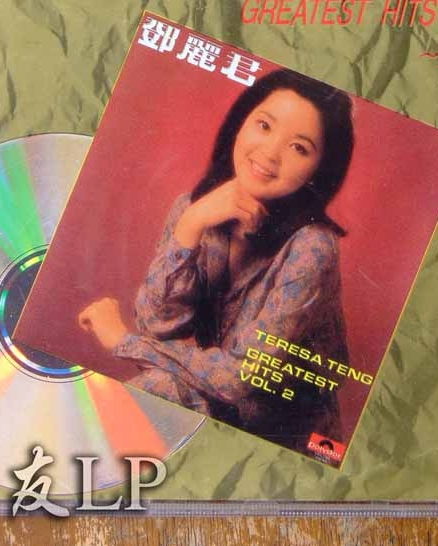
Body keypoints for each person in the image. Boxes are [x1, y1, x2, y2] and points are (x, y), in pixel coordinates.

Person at [78, 68, 355, 454]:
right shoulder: (196, 210)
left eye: (299, 148)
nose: (270, 153)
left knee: (155, 391)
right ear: (240, 123)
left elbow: (240, 378)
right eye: (264, 125)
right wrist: (190, 226)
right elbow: (159, 325)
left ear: (319, 170)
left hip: (290, 439)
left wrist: (124, 342)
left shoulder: (312, 248)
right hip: (219, 406)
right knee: (145, 396)